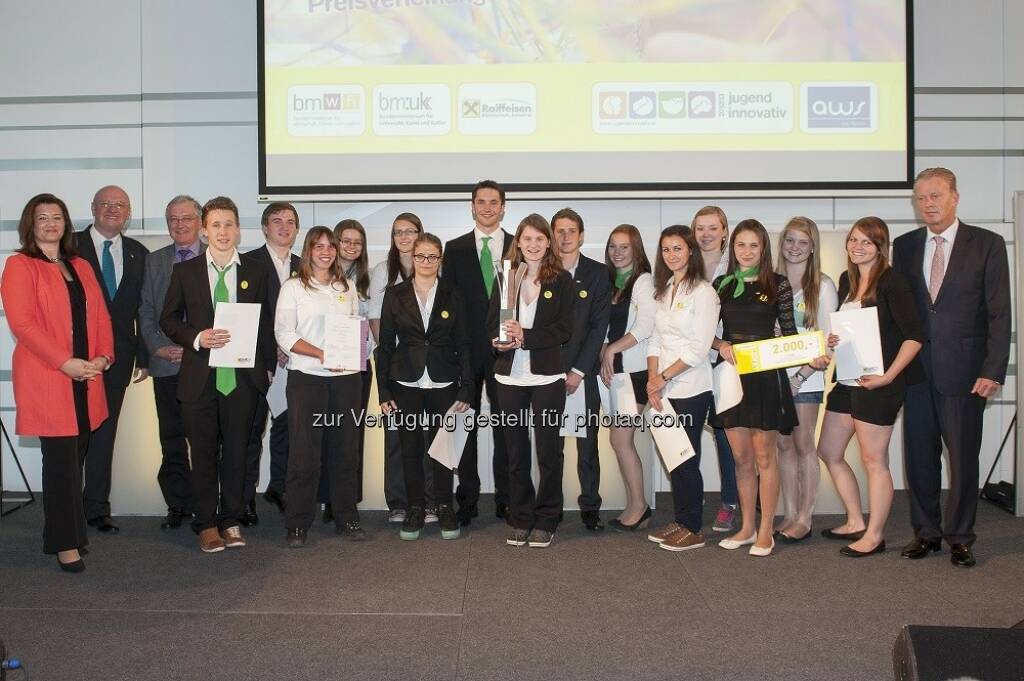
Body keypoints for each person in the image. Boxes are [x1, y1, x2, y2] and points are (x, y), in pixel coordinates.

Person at [893, 167, 1011, 568]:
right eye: (921, 198)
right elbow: (900, 312)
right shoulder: (904, 246)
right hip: (917, 372)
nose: (928, 204)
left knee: (962, 458)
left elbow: (999, 314)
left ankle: (960, 536)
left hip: (965, 372)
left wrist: (993, 369)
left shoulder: (988, 244)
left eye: (935, 196)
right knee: (919, 458)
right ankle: (926, 533)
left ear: (955, 197)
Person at [2, 193, 114, 572]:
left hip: (86, 378)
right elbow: (23, 325)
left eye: (57, 217)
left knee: (76, 459)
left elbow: (99, 315)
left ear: (66, 224)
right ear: (30, 225)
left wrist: (103, 357)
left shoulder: (79, 264)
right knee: (62, 465)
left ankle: (70, 531)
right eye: (42, 217)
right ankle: (64, 543)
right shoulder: (20, 265)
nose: (51, 223)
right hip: (51, 378)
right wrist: (65, 363)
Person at [160, 196, 276, 553]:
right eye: (215, 225)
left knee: (238, 452)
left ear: (238, 230)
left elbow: (269, 322)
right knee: (205, 453)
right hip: (200, 379)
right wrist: (196, 337)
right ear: (204, 231)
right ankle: (206, 523)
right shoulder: (186, 272)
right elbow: (167, 320)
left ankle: (231, 520)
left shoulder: (257, 270)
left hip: (242, 379)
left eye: (229, 225)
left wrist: (267, 366)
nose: (223, 232)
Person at [818, 217, 924, 557]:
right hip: (847, 379)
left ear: (881, 246)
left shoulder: (894, 282)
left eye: (866, 241)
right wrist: (834, 339)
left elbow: (915, 336)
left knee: (873, 460)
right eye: (853, 240)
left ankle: (875, 535)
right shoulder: (847, 279)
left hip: (879, 382)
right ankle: (854, 520)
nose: (857, 246)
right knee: (829, 452)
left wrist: (889, 376)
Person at [377, 233, 474, 540]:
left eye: (433, 256)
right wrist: (383, 390)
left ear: (440, 259)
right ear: (413, 257)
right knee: (409, 447)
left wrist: (467, 388)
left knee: (443, 448)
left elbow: (465, 344)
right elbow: (385, 345)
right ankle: (416, 507)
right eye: (421, 256)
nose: (427, 262)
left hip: (445, 379)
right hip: (405, 379)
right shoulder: (395, 294)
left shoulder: (454, 293)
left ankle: (444, 506)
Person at [275, 227, 367, 547]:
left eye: (331, 245)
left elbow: (356, 328)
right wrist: (320, 353)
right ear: (309, 250)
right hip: (307, 378)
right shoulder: (293, 288)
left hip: (346, 380)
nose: (326, 251)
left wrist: (358, 351)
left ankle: (347, 517)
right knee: (305, 452)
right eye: (319, 246)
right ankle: (297, 523)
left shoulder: (347, 287)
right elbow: (284, 334)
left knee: (345, 450)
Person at [711, 219, 798, 557]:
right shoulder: (720, 284)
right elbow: (705, 333)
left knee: (765, 457)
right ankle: (746, 527)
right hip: (731, 378)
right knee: (741, 457)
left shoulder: (778, 284)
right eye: (740, 245)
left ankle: (765, 530)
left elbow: (790, 334)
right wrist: (721, 346)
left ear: (763, 249)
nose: (746, 251)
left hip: (765, 378)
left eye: (753, 245)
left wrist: (782, 343)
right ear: (732, 249)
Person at [491, 213, 575, 548]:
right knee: (515, 451)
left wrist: (526, 336)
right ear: (519, 242)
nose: (534, 244)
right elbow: (490, 322)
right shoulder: (505, 275)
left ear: (548, 242)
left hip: (547, 376)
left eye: (540, 239)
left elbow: (564, 330)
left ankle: (547, 518)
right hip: (509, 376)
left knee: (548, 451)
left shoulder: (562, 280)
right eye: (527, 239)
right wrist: (496, 340)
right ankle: (521, 516)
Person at [74, 185, 149, 534]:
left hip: (117, 358)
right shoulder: (68, 246)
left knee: (105, 433)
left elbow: (143, 311)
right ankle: (68, 508)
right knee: (73, 435)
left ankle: (96, 508)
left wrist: (144, 357)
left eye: (120, 205)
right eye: (105, 203)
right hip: (73, 359)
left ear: (128, 212)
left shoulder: (138, 253)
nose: (112, 209)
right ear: (93, 207)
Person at [442, 181, 515, 526]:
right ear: (472, 207)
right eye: (481, 202)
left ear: (503, 207)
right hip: (467, 352)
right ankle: (467, 499)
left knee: (506, 427)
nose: (487, 208)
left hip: (507, 352)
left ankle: (507, 498)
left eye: (494, 202)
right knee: (465, 425)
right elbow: (450, 304)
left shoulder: (520, 246)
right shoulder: (453, 249)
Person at [645, 225, 721, 552]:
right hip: (663, 387)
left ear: (690, 250)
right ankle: (680, 519)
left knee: (686, 458)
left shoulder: (704, 292)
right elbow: (656, 338)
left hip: (691, 386)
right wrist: (652, 381)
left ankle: (693, 528)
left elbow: (700, 347)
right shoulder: (666, 289)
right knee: (673, 457)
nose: (671, 255)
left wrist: (663, 378)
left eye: (677, 248)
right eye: (666, 250)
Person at [139, 195, 204, 529]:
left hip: (207, 364)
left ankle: (210, 504)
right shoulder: (155, 261)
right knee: (172, 438)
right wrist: (157, 348)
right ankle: (178, 504)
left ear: (200, 221)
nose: (179, 225)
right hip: (167, 363)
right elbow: (146, 310)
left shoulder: (216, 256)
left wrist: (199, 347)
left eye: (186, 218)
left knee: (209, 439)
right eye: (172, 219)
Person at [774, 217, 838, 542]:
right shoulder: (771, 283)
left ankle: (805, 517)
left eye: (802, 242)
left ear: (812, 247)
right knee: (782, 445)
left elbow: (826, 341)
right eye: (790, 241)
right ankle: (787, 513)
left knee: (803, 445)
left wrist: (800, 377)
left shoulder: (822, 286)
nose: (795, 248)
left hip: (806, 380)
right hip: (774, 378)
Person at [368, 213, 434, 523]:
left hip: (431, 370)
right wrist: (395, 359)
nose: (404, 237)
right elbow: (377, 321)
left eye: (410, 232)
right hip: (397, 366)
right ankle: (398, 501)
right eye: (398, 233)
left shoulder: (434, 265)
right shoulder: (384, 271)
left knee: (429, 437)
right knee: (397, 436)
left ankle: (429, 501)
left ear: (421, 234)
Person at [551, 208, 611, 531]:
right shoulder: (541, 271)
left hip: (582, 374)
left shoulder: (597, 273)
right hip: (545, 374)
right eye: (559, 231)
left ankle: (590, 506)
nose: (565, 237)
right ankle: (552, 507)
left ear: (581, 235)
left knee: (587, 445)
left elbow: (598, 327)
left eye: (571, 231)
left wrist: (578, 371)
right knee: (552, 447)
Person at [244, 202, 301, 525]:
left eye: (290, 222)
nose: (284, 227)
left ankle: (279, 488)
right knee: (251, 432)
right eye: (276, 221)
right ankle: (245, 498)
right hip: (258, 364)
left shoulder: (303, 265)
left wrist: (291, 346)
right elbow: (247, 316)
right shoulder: (248, 262)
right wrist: (272, 347)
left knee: (288, 430)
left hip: (294, 364)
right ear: (265, 227)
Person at [599, 224, 656, 532]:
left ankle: (640, 506)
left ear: (636, 250)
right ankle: (635, 504)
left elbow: (646, 325)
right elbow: (606, 327)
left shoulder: (644, 281)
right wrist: (606, 349)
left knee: (621, 440)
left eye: (624, 247)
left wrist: (612, 350)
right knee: (620, 441)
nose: (617, 253)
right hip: (617, 373)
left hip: (635, 371)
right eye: (612, 247)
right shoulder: (611, 283)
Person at [318, 219, 373, 521]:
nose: (351, 247)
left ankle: (348, 500)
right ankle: (327, 499)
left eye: (358, 242)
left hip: (359, 366)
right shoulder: (319, 278)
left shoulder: (367, 280)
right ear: (335, 243)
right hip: (323, 366)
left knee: (353, 435)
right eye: (346, 240)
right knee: (326, 431)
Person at [692, 206, 740, 533]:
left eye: (713, 228)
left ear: (725, 231)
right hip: (690, 367)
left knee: (726, 437)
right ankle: (690, 506)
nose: (706, 234)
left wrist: (721, 344)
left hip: (726, 365)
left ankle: (730, 502)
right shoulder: (685, 267)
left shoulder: (737, 268)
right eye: (700, 228)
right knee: (688, 436)